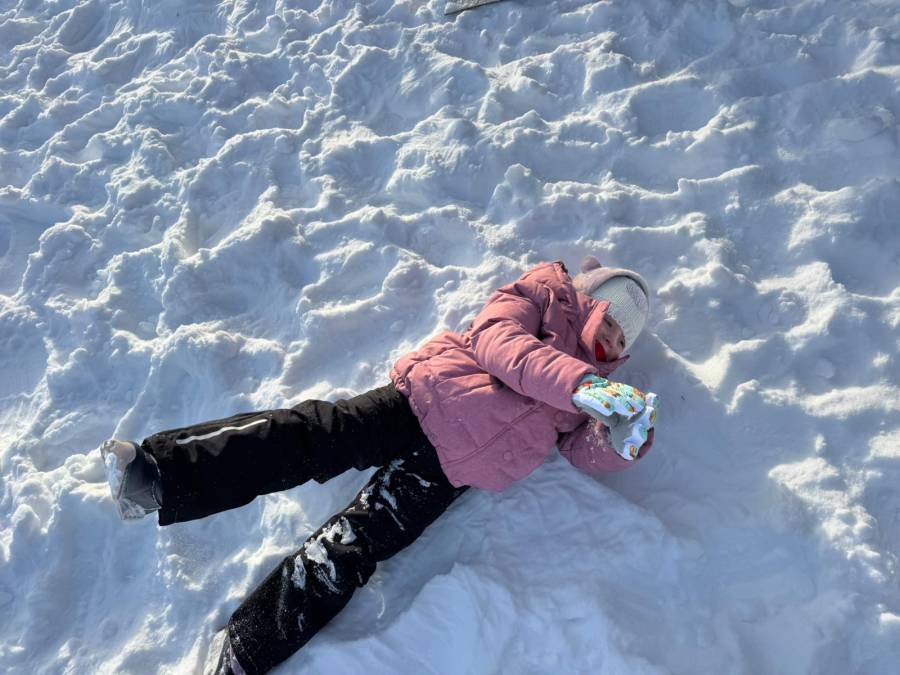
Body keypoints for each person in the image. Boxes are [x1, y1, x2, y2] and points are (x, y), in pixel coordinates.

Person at [99, 255, 659, 675]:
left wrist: (622, 440)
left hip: (450, 471)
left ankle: (248, 648)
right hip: (417, 404)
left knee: (350, 549)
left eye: (621, 340)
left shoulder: (595, 392)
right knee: (306, 439)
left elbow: (577, 451)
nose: (611, 339)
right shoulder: (547, 295)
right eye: (612, 319)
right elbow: (497, 342)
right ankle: (160, 474)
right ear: (591, 297)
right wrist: (580, 386)